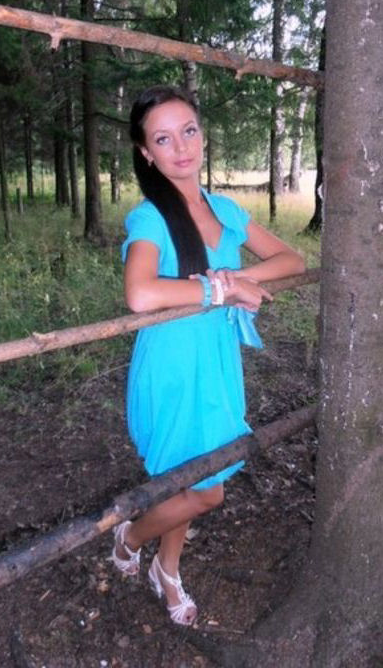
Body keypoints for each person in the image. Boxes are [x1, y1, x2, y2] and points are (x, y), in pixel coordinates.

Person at [111, 85, 306, 626]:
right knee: (206, 491)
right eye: (163, 139)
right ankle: (130, 537)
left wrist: (236, 277)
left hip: (217, 362)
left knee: (192, 477)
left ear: (202, 134)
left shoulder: (226, 209)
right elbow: (140, 293)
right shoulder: (150, 218)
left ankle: (166, 569)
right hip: (173, 367)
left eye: (189, 131)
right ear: (146, 153)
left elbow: (291, 259)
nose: (181, 148)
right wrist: (221, 289)